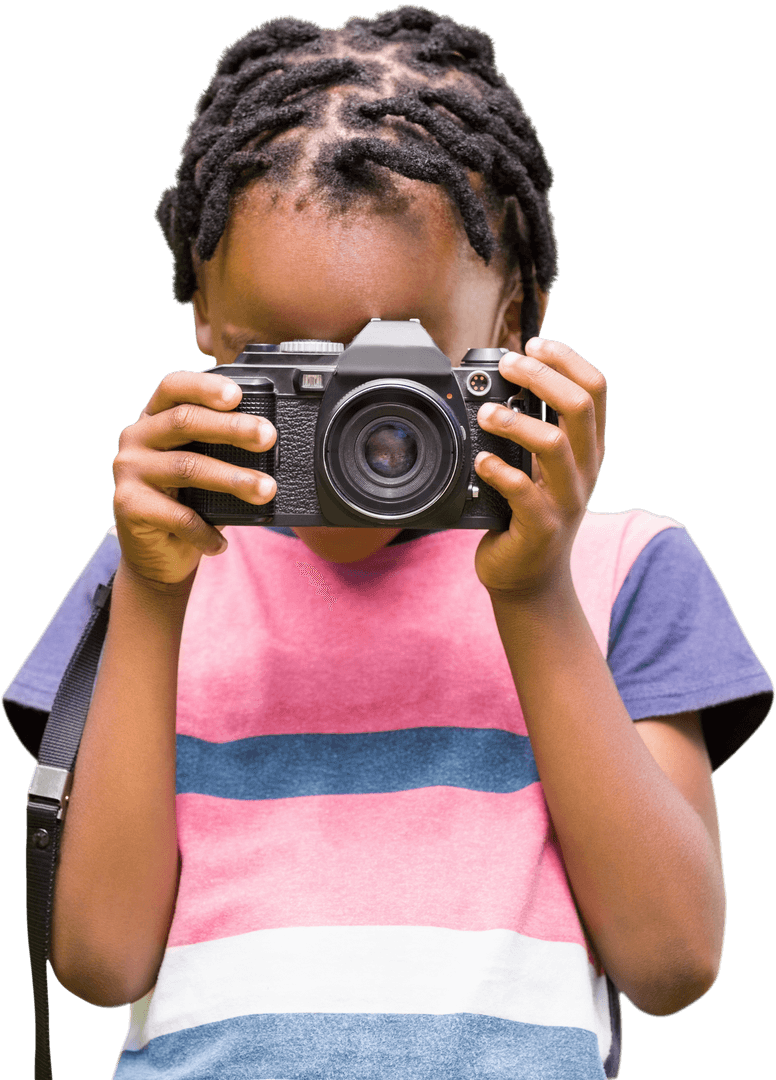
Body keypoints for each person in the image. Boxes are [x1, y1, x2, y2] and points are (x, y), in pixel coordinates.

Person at [3, 8, 772, 1079]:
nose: (347, 425)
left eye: (393, 371)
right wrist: (147, 588)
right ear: (202, 325)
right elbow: (102, 958)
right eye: (278, 360)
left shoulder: (623, 570)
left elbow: (670, 960)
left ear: (512, 323)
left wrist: (536, 591)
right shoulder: (155, 564)